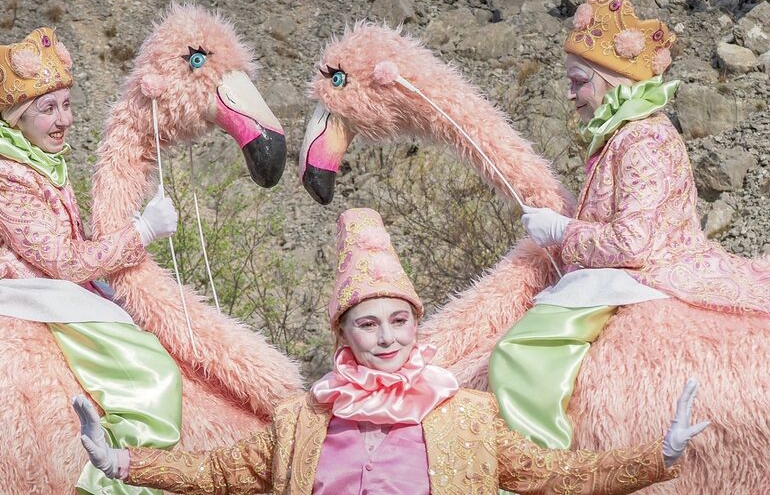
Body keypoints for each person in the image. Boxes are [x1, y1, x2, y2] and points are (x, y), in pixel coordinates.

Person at [73, 207, 707, 494]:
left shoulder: (466, 416)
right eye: (369, 324)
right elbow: (217, 473)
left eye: (399, 321)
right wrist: (122, 463)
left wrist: (660, 456)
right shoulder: (304, 421)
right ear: (344, 336)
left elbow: (556, 475)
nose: (388, 338)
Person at [489, 0, 770, 450]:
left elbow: (633, 243)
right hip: (626, 268)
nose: (569, 92)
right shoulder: (623, 135)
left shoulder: (642, 138)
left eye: (578, 80)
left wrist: (561, 231)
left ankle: (548, 467)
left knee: (519, 354)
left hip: (643, 272)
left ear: (610, 82)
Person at [0, 27, 181, 495]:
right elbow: (60, 260)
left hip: (56, 289)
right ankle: (118, 475)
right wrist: (141, 232)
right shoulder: (8, 176)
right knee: (150, 368)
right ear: (18, 116)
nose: (64, 120)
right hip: (32, 295)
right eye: (47, 108)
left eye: (66, 104)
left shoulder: (37, 159)